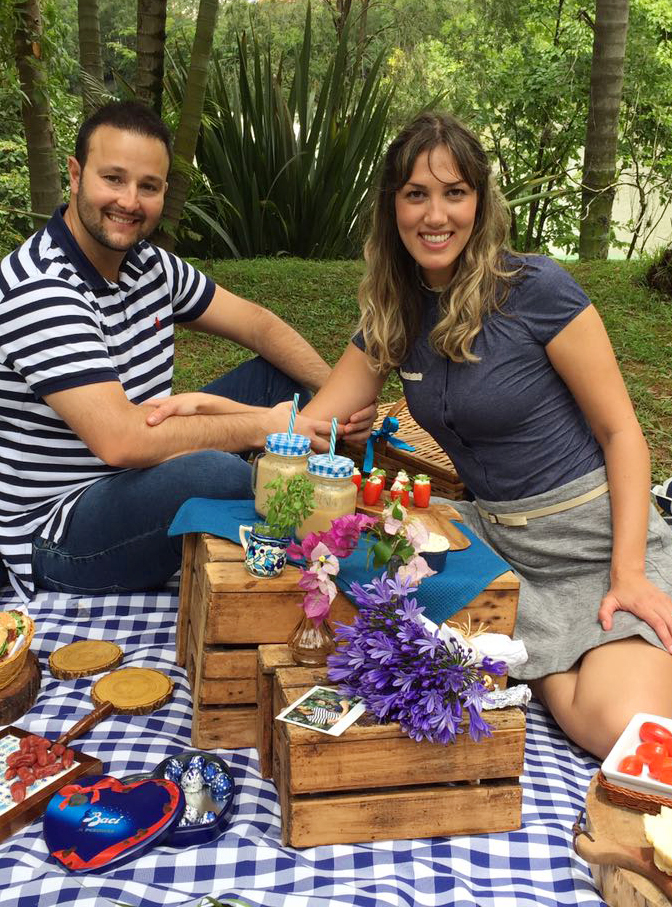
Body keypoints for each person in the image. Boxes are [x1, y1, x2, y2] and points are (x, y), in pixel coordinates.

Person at [296, 112, 672, 759]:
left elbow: (622, 432)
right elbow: (315, 422)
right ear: (393, 206)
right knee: (356, 575)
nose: (434, 214)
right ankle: (543, 660)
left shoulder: (534, 290)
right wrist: (223, 418)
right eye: (416, 193)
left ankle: (534, 661)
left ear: (479, 201)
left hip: (595, 541)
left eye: (454, 192)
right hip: (495, 545)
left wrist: (630, 572)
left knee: (624, 729)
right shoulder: (395, 308)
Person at [0, 101, 374, 602]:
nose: (130, 201)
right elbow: (121, 442)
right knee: (215, 474)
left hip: (138, 471)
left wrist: (336, 402)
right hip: (59, 532)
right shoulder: (41, 287)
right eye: (113, 179)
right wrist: (268, 426)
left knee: (276, 379)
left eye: (148, 186)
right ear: (75, 175)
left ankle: (300, 490)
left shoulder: (149, 265)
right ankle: (291, 513)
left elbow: (259, 325)